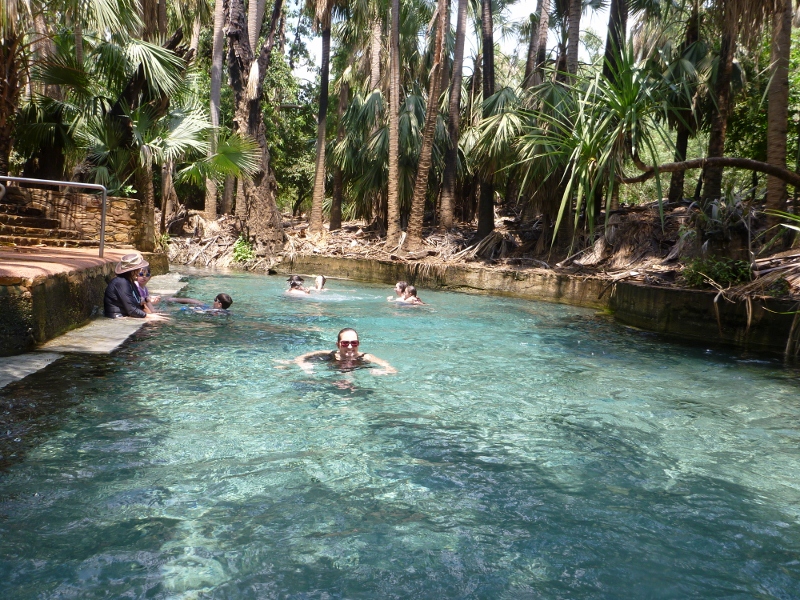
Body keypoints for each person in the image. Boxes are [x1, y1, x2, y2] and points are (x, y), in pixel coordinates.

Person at [294, 328, 397, 375]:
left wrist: (382, 371)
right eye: (345, 343)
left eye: (354, 343)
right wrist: (303, 365)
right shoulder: (331, 354)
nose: (350, 346)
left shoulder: (366, 357)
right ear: (338, 345)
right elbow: (300, 358)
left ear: (358, 344)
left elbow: (392, 369)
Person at [104, 253, 167, 320]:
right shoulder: (121, 282)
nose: (140, 271)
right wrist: (151, 317)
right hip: (118, 317)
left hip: (126, 315)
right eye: (139, 269)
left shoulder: (129, 281)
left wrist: (147, 301)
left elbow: (137, 301)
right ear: (133, 271)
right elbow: (131, 310)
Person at [167, 293, 233, 315]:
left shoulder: (215, 313)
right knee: (198, 303)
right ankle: (174, 299)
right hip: (207, 309)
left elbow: (202, 312)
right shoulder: (227, 312)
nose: (214, 301)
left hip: (205, 312)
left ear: (219, 304)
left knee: (185, 308)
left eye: (215, 300)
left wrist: (191, 309)